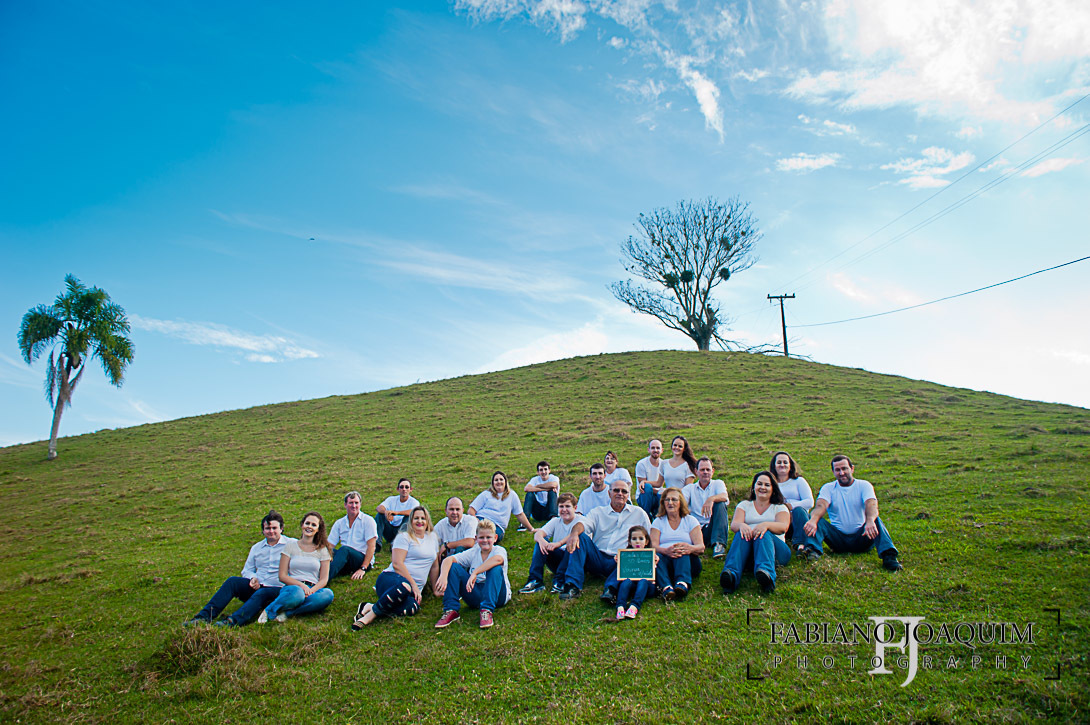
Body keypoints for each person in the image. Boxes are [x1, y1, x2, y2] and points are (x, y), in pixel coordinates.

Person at [183, 509, 294, 627]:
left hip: (280, 590)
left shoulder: (292, 544)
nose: (271, 531)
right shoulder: (257, 548)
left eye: (274, 528)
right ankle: (203, 618)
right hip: (258, 586)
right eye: (267, 528)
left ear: (281, 528)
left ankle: (232, 622)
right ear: (263, 530)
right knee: (232, 582)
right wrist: (253, 578)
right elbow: (247, 570)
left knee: (263, 592)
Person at [801, 455, 903, 571]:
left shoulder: (864, 485)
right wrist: (813, 520)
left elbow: (871, 504)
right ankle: (812, 552)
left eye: (844, 468)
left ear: (852, 469)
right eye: (837, 470)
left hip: (863, 536)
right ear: (833, 472)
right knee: (817, 521)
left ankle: (889, 557)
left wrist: (870, 521)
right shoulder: (828, 488)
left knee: (876, 520)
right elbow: (821, 505)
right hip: (838, 540)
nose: (842, 473)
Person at [555, 478, 650, 602]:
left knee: (628, 557)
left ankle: (611, 590)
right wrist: (574, 533)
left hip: (620, 559)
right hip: (597, 557)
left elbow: (649, 537)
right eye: (616, 490)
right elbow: (583, 524)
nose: (620, 494)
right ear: (609, 493)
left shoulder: (639, 513)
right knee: (581, 537)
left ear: (628, 495)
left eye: (624, 491)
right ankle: (572, 585)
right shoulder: (598, 512)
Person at [352, 506, 440, 628]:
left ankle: (369, 606)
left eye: (423, 518)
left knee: (411, 608)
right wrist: (413, 585)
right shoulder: (404, 537)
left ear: (427, 521)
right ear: (411, 521)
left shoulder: (433, 538)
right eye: (416, 518)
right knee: (404, 587)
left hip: (412, 591)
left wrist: (435, 589)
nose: (420, 521)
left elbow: (434, 566)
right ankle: (370, 616)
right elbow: (397, 564)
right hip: (391, 579)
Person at [720, 471, 792, 594]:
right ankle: (731, 575)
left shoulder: (779, 507)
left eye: (767, 485)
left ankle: (767, 575)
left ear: (773, 489)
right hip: (750, 552)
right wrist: (742, 525)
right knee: (741, 533)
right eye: (759, 484)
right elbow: (734, 525)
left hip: (776, 551)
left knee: (763, 533)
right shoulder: (744, 505)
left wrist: (766, 525)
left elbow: (783, 527)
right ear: (754, 487)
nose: (762, 487)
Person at [434, 519, 512, 629]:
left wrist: (475, 572)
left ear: (495, 538)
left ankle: (487, 610)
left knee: (495, 568)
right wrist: (443, 576)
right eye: (481, 537)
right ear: (476, 538)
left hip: (498, 595)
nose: (485, 540)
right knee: (454, 567)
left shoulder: (499, 550)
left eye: (488, 537)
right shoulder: (474, 552)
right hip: (476, 593)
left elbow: (498, 559)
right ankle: (451, 610)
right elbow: (449, 559)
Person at [260, 512, 335, 622]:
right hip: (293, 588)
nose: (309, 526)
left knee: (327, 594)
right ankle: (270, 610)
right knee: (297, 593)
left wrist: (311, 591)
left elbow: (324, 579)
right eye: (307, 523)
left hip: (312, 589)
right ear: (302, 525)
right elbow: (282, 576)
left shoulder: (323, 550)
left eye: (314, 525)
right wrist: (301, 586)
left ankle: (288, 613)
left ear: (318, 529)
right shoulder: (290, 546)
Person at [519, 492, 585, 594]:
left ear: (575, 508)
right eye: (561, 507)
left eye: (567, 506)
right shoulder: (556, 521)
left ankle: (560, 581)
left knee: (574, 542)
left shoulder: (581, 521)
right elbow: (538, 534)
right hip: (558, 558)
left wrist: (559, 543)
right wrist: (542, 541)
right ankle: (535, 580)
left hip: (573, 560)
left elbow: (576, 535)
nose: (564, 510)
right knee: (540, 543)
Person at [651, 487, 705, 600]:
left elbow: (701, 547)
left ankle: (682, 583)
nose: (670, 503)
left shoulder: (690, 520)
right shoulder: (658, 522)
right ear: (663, 503)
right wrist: (666, 551)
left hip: (687, 561)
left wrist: (689, 548)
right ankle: (666, 588)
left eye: (674, 499)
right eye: (667, 500)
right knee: (655, 557)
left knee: (681, 550)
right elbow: (653, 546)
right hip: (665, 560)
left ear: (681, 502)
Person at [683, 456, 731, 558]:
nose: (705, 472)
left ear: (712, 471)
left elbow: (724, 497)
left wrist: (711, 499)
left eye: (708, 470)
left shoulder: (718, 483)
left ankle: (719, 545)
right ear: (696, 471)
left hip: (713, 527)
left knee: (720, 504)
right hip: (697, 530)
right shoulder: (689, 488)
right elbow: (681, 503)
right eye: (702, 470)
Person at [468, 471, 535, 543]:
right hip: (482, 520)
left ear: (505, 482)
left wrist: (531, 529)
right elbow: (471, 510)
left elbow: (520, 514)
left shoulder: (512, 495)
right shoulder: (486, 494)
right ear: (493, 483)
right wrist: (476, 520)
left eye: (501, 479)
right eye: (496, 480)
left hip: (497, 526)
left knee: (488, 538)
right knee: (471, 533)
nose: (499, 482)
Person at [327, 491, 378, 580]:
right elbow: (330, 545)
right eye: (351, 503)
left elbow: (371, 546)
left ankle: (323, 580)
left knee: (344, 550)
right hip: (345, 558)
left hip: (361, 559)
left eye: (356, 503)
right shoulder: (339, 523)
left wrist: (363, 568)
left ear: (360, 504)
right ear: (345, 505)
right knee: (326, 551)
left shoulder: (368, 521)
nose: (354, 506)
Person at [770, 451, 814, 552]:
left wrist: (791, 506)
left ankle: (800, 544)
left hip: (798, 520)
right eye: (779, 462)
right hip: (780, 521)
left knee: (798, 510)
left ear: (790, 465)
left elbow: (810, 502)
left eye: (785, 462)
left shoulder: (799, 481)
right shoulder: (770, 483)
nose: (782, 465)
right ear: (774, 466)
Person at [615, 525, 657, 620]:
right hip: (632, 586)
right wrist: (619, 561)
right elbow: (623, 574)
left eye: (641, 539)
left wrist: (655, 563)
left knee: (643, 581)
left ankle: (634, 607)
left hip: (647, 587)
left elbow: (653, 577)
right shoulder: (626, 555)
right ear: (629, 542)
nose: (637, 541)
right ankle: (620, 607)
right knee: (626, 581)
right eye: (634, 539)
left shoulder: (650, 555)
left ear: (646, 541)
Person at [375, 478, 420, 552]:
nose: (404, 489)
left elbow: (414, 512)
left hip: (403, 531)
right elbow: (379, 507)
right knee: (380, 515)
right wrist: (386, 512)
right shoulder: (391, 499)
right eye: (401, 487)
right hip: (389, 530)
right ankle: (377, 543)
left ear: (410, 489)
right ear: (398, 489)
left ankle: (397, 543)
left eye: (407, 487)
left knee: (409, 517)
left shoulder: (414, 502)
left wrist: (397, 513)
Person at [434, 497, 478, 561]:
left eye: (457, 509)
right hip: (448, 562)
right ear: (446, 511)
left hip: (470, 561)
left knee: (460, 549)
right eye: (451, 509)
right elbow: (431, 543)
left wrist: (447, 545)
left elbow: (470, 542)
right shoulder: (441, 525)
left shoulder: (470, 520)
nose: (454, 512)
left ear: (462, 510)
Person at [521, 460, 560, 526]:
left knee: (552, 492)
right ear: (538, 472)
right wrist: (546, 489)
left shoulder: (554, 478)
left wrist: (537, 486)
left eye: (545, 469)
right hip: (538, 511)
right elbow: (526, 489)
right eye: (541, 470)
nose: (543, 472)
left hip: (550, 508)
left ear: (549, 470)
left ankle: (554, 519)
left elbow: (553, 485)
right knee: (529, 494)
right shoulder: (535, 479)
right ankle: (524, 521)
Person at [635, 439, 665, 519]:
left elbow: (660, 484)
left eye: (658, 448)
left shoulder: (664, 464)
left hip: (658, 495)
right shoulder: (641, 464)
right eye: (653, 448)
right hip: (644, 496)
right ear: (648, 450)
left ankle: (658, 518)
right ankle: (645, 517)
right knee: (647, 487)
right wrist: (660, 492)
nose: (655, 450)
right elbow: (643, 487)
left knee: (663, 494)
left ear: (662, 450)